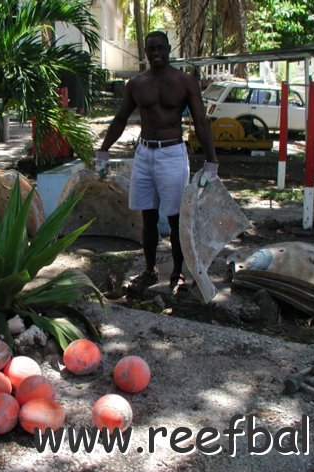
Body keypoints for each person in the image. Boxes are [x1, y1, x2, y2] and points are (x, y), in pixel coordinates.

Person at [96, 30, 219, 296]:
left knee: (175, 219)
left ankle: (177, 274)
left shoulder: (185, 82)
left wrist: (212, 160)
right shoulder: (137, 84)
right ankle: (150, 270)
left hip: (172, 154)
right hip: (144, 154)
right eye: (151, 49)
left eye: (160, 48)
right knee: (147, 216)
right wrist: (103, 150)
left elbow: (200, 122)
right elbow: (120, 119)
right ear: (145, 52)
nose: (156, 53)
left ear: (169, 48)